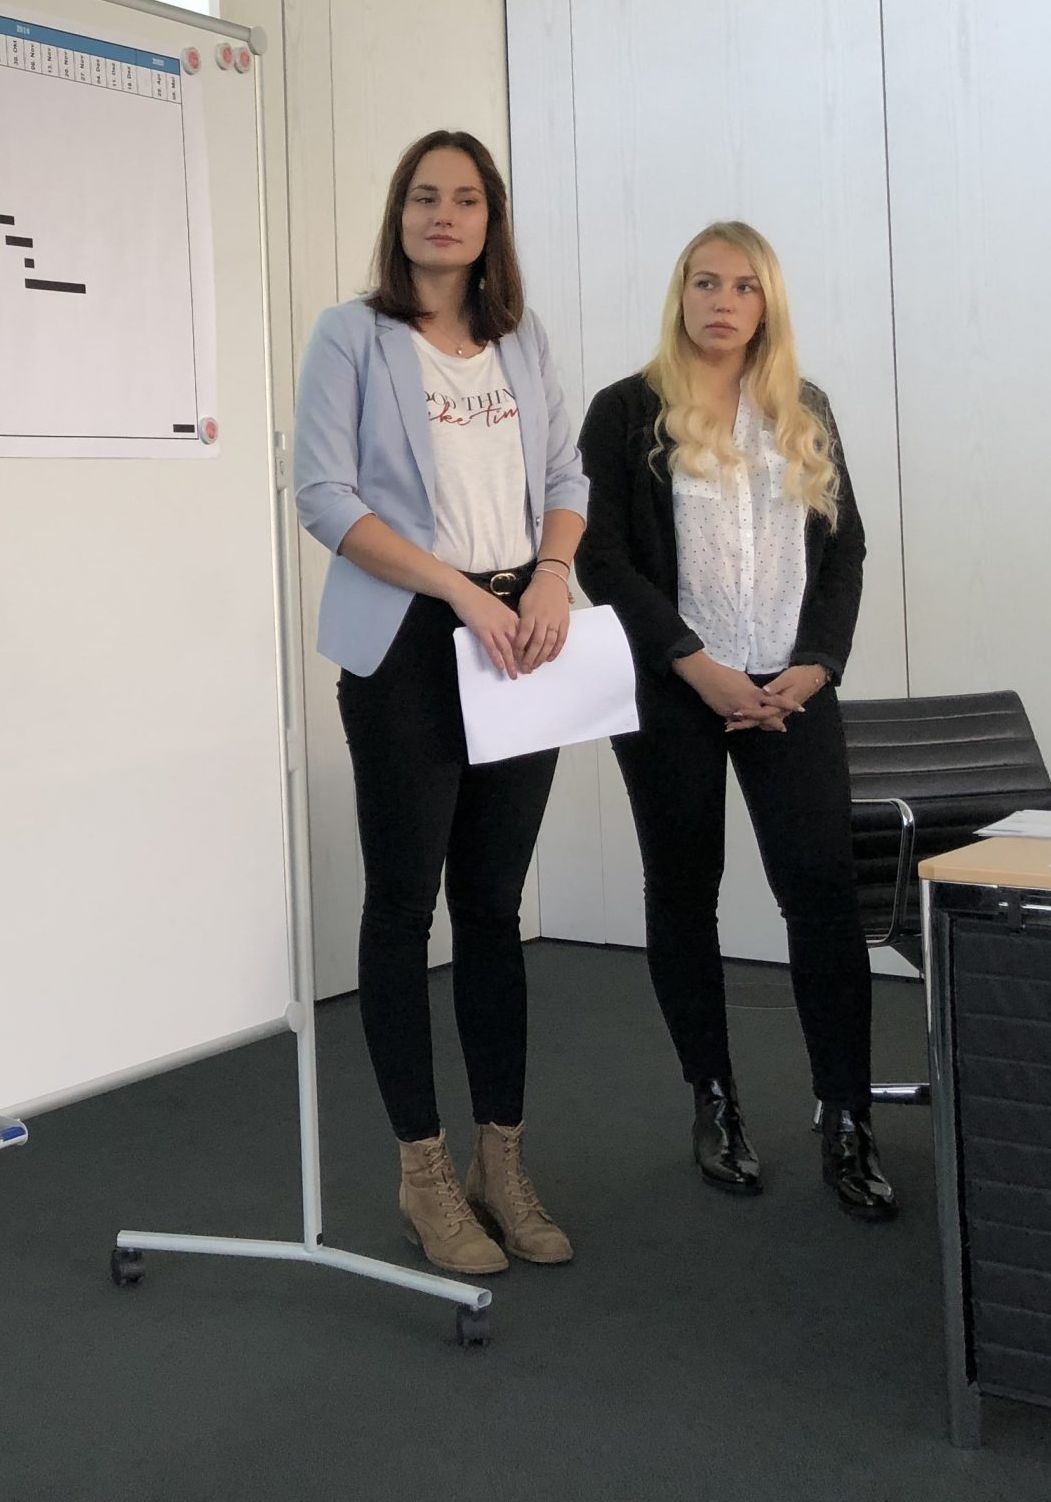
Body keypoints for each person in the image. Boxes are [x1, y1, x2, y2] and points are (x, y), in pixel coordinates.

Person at [291, 129, 590, 1276]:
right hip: (410, 641)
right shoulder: (351, 334)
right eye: (424, 196)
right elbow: (323, 496)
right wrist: (460, 590)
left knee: (494, 908)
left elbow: (564, 476)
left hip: (522, 633)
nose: (443, 215)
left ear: (489, 220)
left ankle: (498, 1165)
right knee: (402, 907)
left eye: (465, 199)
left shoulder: (521, 338)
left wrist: (550, 573)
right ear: (399, 214)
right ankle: (423, 1176)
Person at [574, 222, 894, 1220]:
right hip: (676, 687)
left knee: (822, 894)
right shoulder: (625, 409)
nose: (723, 303)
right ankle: (712, 1100)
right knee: (683, 890)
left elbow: (844, 550)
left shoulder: (805, 408)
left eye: (744, 287)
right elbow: (600, 557)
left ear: (768, 303)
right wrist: (692, 662)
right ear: (681, 293)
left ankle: (846, 1113)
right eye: (706, 283)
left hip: (790, 691)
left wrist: (817, 665)